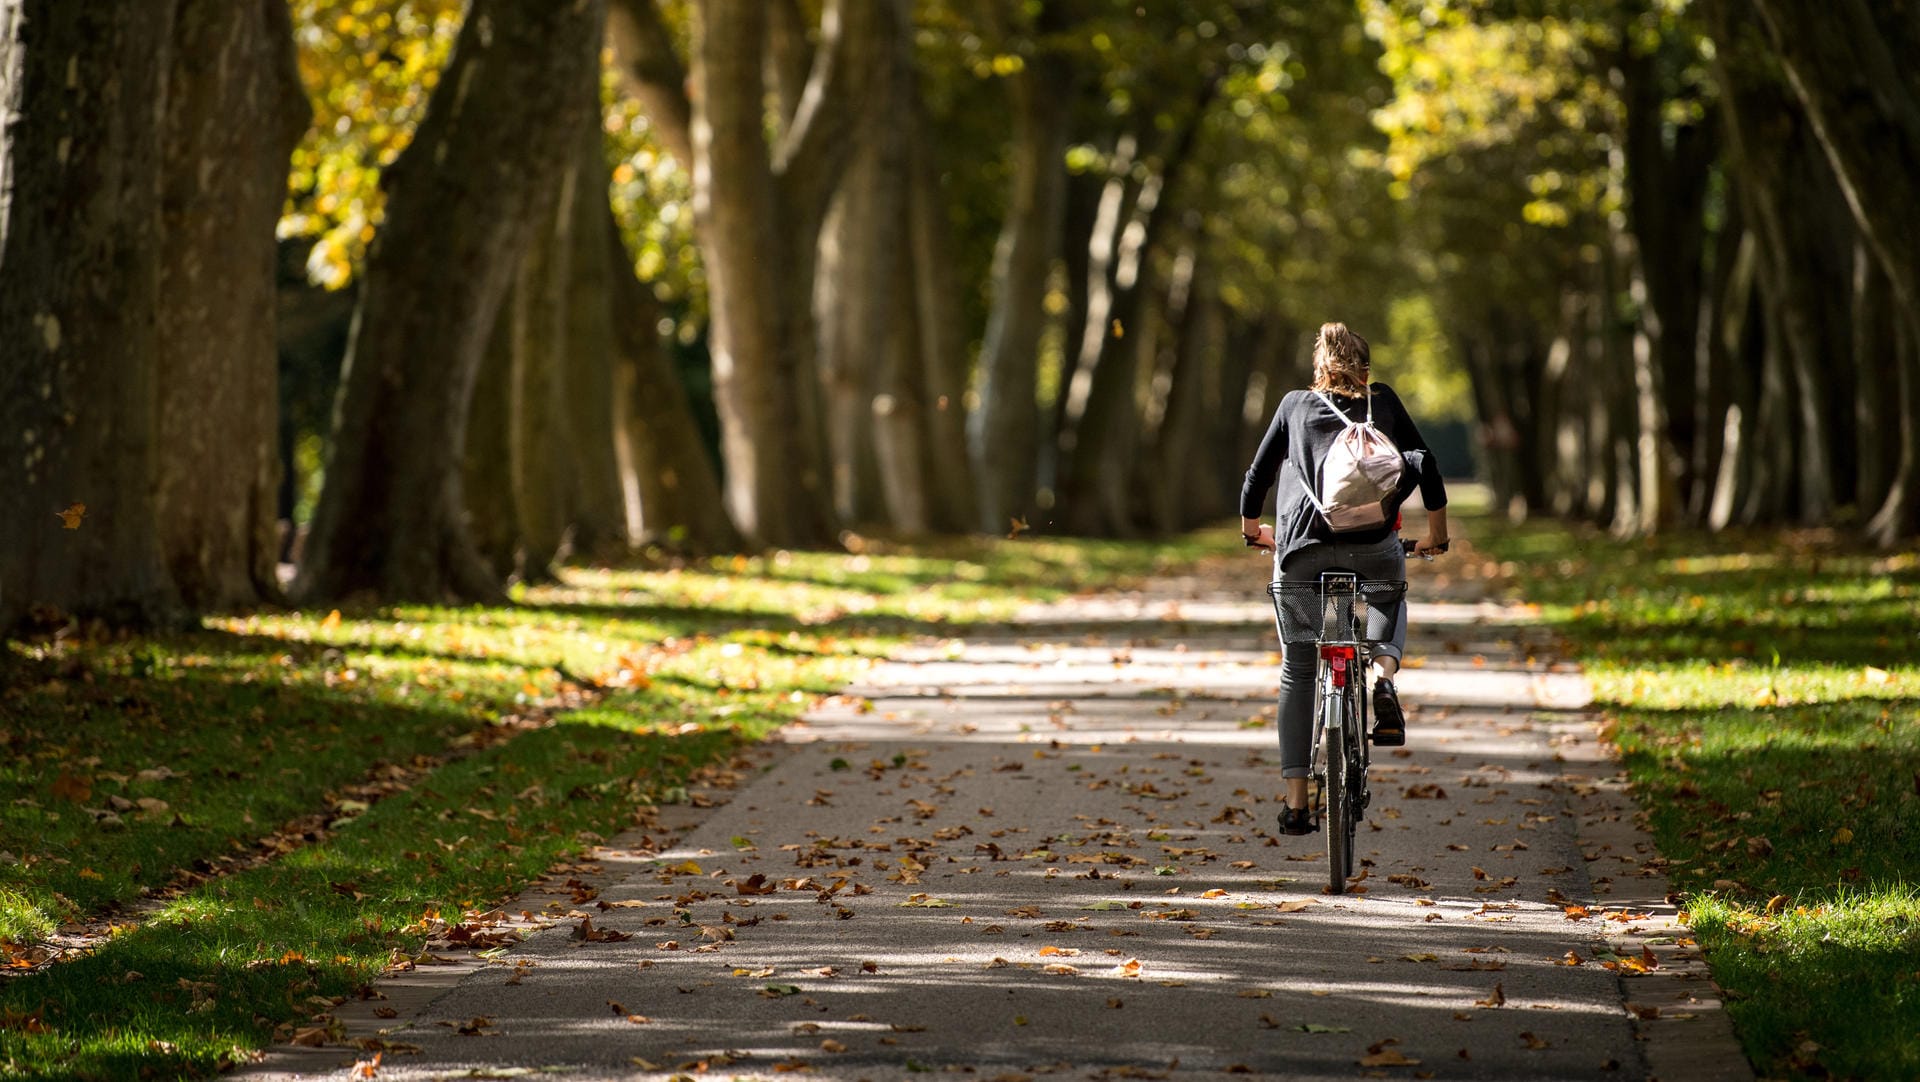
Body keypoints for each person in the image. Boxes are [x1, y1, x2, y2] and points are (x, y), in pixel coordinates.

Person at [1238, 322, 1449, 836]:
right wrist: (1435, 536)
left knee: (1299, 669)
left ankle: (1295, 803)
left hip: (1301, 552)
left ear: (1319, 369)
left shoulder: (1294, 405)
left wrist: (1253, 531)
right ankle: (1383, 678)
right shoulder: (1384, 402)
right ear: (1365, 370)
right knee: (1389, 587)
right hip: (1373, 548)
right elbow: (1424, 463)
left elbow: (1258, 477)